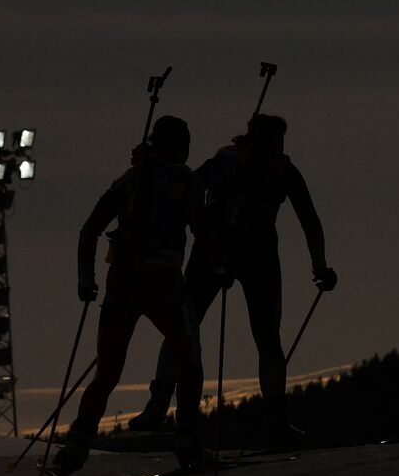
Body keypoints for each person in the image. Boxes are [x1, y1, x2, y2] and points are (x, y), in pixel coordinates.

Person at [129, 114, 337, 447]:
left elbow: (184, 190)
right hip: (258, 252)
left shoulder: (225, 157)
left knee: (184, 324)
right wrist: (320, 266)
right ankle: (274, 418)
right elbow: (309, 219)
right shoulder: (282, 168)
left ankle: (158, 403)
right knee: (266, 335)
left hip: (211, 246)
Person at [53, 116, 211, 476]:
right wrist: (219, 262)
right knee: (188, 356)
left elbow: (89, 230)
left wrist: (85, 281)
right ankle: (186, 439)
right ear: (181, 146)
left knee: (106, 372)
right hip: (163, 280)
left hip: (120, 282)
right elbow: (201, 229)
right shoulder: (184, 179)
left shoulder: (127, 181)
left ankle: (77, 444)